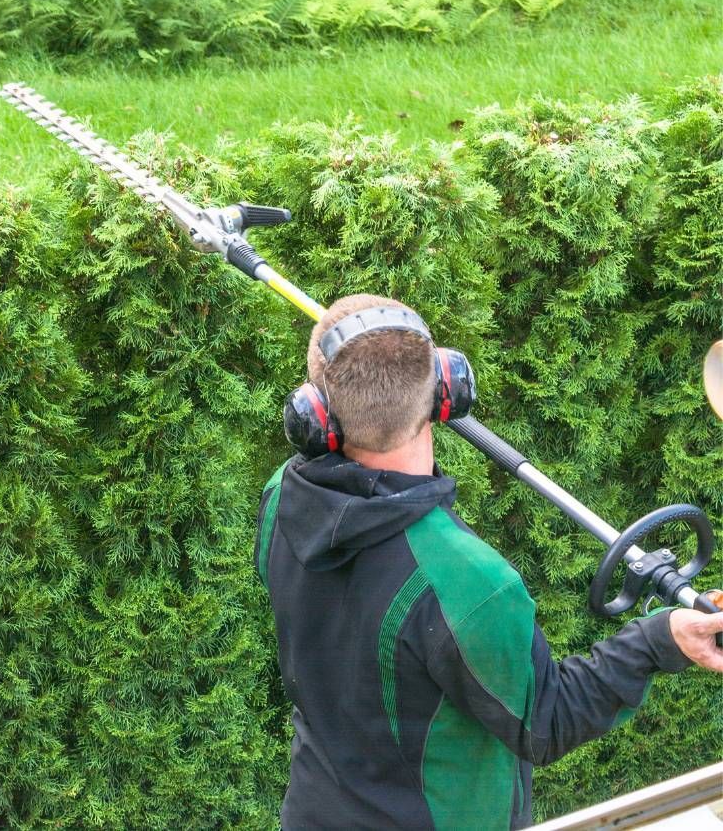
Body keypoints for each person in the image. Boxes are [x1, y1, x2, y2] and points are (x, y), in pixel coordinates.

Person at [255, 293, 723, 831]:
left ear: (313, 415)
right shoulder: (469, 581)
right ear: (447, 392)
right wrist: (659, 639)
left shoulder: (282, 499)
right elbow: (545, 720)